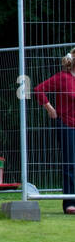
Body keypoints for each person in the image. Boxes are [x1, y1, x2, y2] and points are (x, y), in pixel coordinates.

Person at [34, 51, 75, 214]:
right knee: (70, 164)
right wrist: (50, 108)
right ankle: (70, 203)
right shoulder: (62, 78)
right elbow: (38, 89)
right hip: (67, 125)